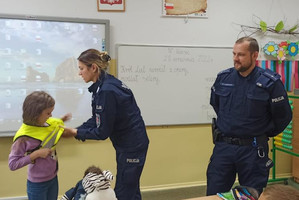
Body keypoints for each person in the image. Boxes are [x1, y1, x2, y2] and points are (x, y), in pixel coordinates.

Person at [206, 37, 292, 196]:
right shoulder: (223, 78)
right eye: (234, 54)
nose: (235, 59)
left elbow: (283, 117)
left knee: (251, 195)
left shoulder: (269, 82)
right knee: (214, 193)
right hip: (224, 148)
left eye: (241, 55)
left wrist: (262, 132)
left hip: (253, 150)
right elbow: (217, 105)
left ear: (254, 55)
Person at [63, 49, 149, 200]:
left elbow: (102, 132)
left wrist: (75, 133)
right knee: (131, 187)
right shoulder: (103, 85)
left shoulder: (107, 91)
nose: (79, 73)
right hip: (126, 144)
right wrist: (75, 130)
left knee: (124, 191)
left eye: (82, 68)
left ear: (93, 68)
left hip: (132, 146)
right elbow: (97, 119)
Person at [8, 91, 72, 200]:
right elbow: (13, 164)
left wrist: (61, 120)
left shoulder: (45, 124)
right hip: (37, 184)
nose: (51, 116)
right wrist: (36, 154)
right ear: (36, 115)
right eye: (48, 113)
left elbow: (51, 128)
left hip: (53, 177)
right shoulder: (23, 138)